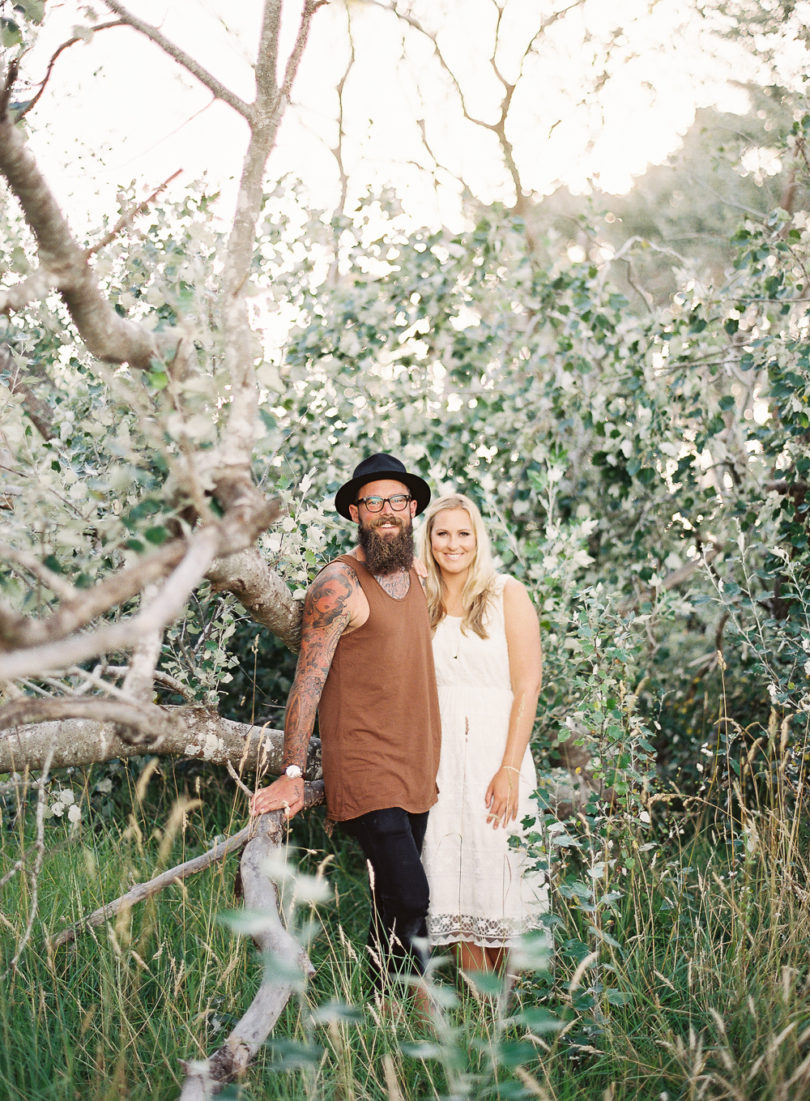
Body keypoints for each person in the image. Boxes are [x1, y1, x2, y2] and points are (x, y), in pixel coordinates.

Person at [251, 452, 441, 993]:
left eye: (397, 501)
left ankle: (384, 1009)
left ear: (412, 509)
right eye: (374, 501)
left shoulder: (417, 577)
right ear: (355, 512)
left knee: (392, 901)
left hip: (417, 760)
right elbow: (307, 680)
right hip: (364, 761)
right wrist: (291, 770)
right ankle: (425, 1011)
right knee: (411, 894)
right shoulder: (339, 584)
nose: (387, 511)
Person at [419, 492, 548, 975]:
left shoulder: (505, 592)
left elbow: (528, 684)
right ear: (428, 540)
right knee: (455, 878)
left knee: (497, 871)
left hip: (497, 750)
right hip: (440, 756)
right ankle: (478, 1004)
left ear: (478, 538)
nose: (453, 544)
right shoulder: (421, 597)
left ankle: (505, 1007)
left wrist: (510, 768)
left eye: (463, 533)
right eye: (442, 533)